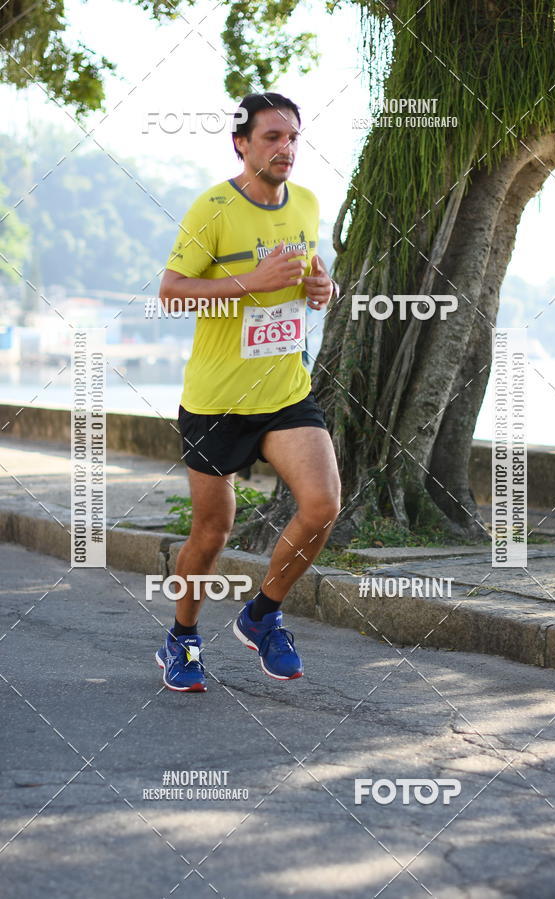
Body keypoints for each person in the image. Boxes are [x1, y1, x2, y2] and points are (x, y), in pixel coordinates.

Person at [155, 92, 341, 692]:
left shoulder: (308, 204)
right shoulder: (212, 208)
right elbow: (172, 292)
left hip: (286, 390)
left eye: (294, 138)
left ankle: (262, 615)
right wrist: (249, 282)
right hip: (217, 399)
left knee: (322, 506)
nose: (286, 149)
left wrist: (323, 289)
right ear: (242, 142)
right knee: (212, 531)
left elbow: (310, 281)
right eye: (272, 138)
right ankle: (182, 636)